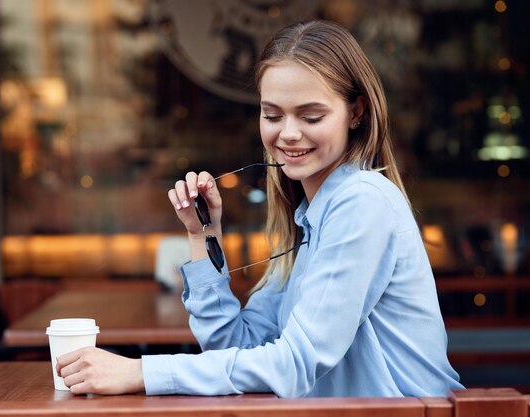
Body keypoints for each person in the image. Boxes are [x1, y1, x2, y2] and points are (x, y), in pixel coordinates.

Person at [56, 19, 464, 397]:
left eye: (311, 115)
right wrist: (204, 235)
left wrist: (142, 373)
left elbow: (295, 364)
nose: (288, 133)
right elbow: (237, 344)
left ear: (356, 112)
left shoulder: (361, 202)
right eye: (272, 115)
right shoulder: (310, 217)